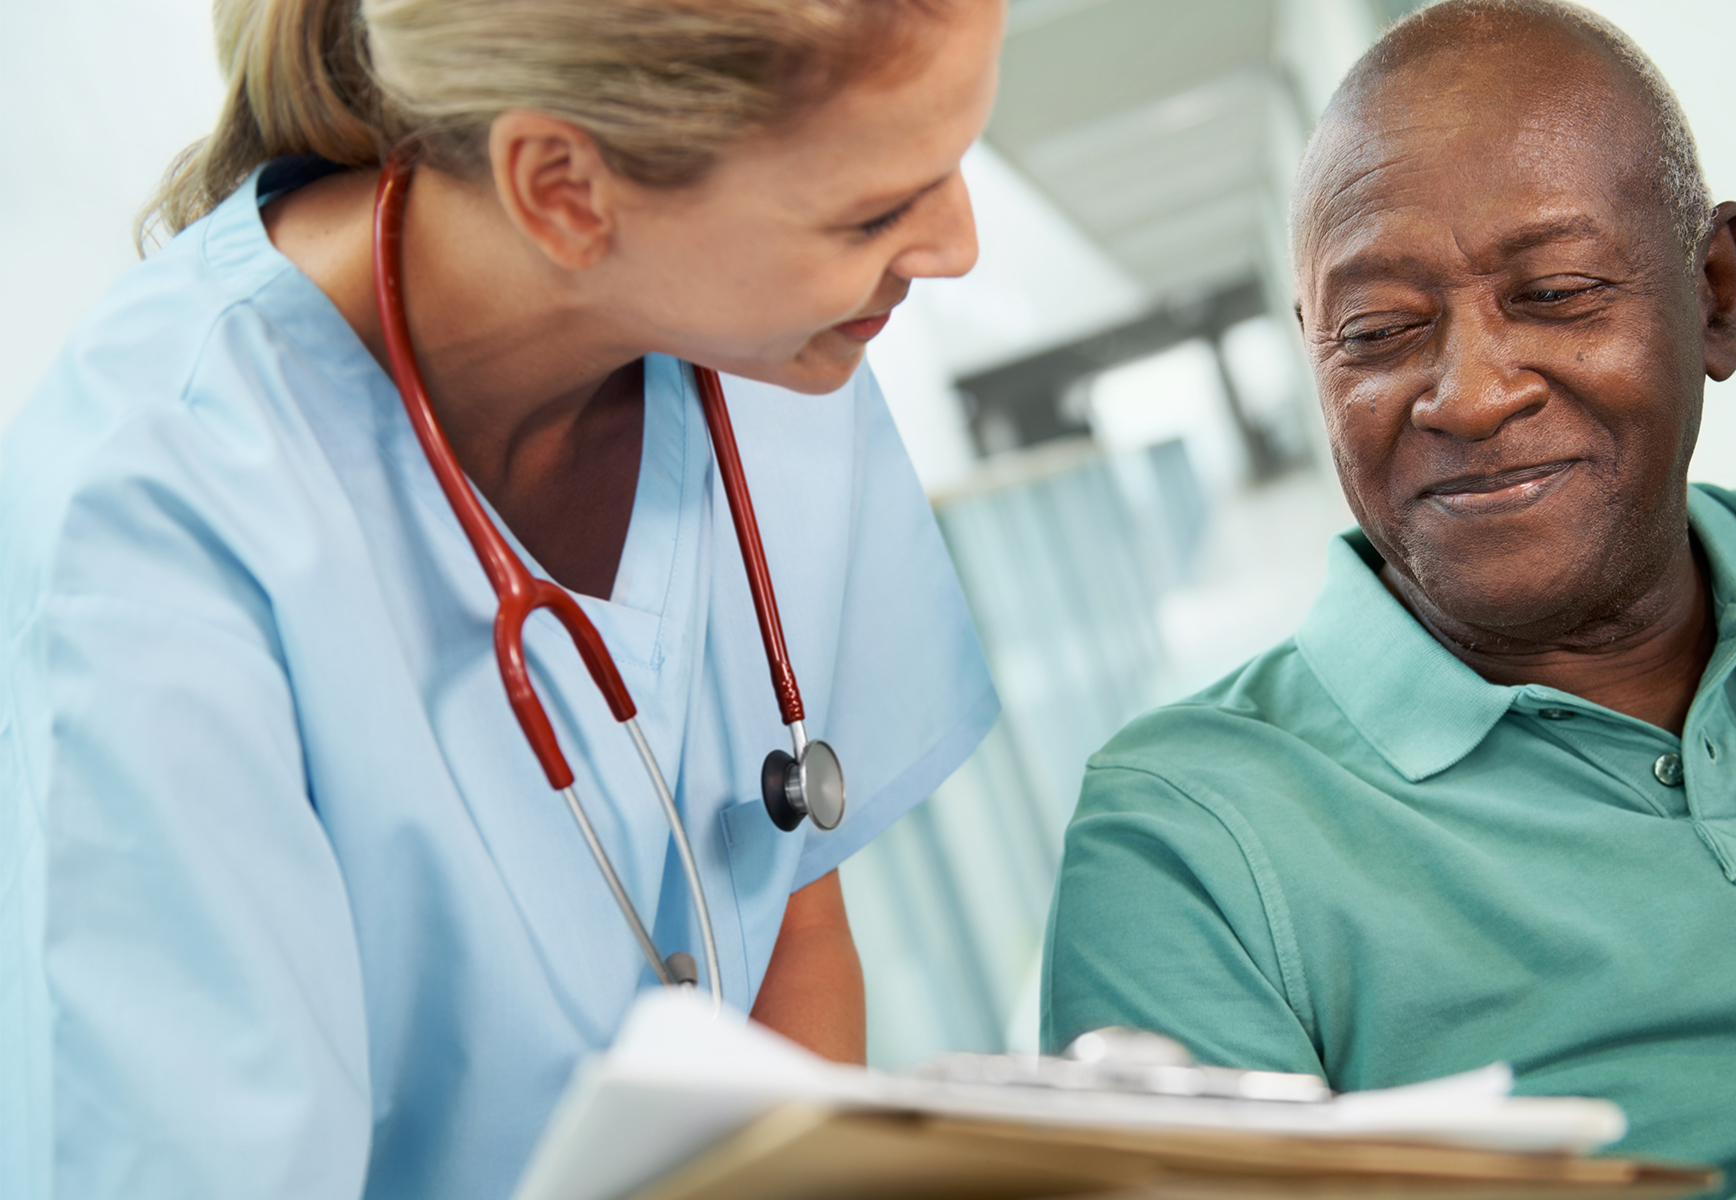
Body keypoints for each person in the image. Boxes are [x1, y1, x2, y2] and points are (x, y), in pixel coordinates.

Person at [1041, 1, 1736, 1194]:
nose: (1468, 393)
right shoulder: (1189, 839)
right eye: (1378, 329)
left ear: (1712, 293)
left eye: (1555, 292)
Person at [0, 0, 1007, 1196]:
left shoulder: (776, 354)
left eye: (952, 164)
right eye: (876, 208)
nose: (956, 243)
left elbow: (788, 916)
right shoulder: (156, 525)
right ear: (563, 189)